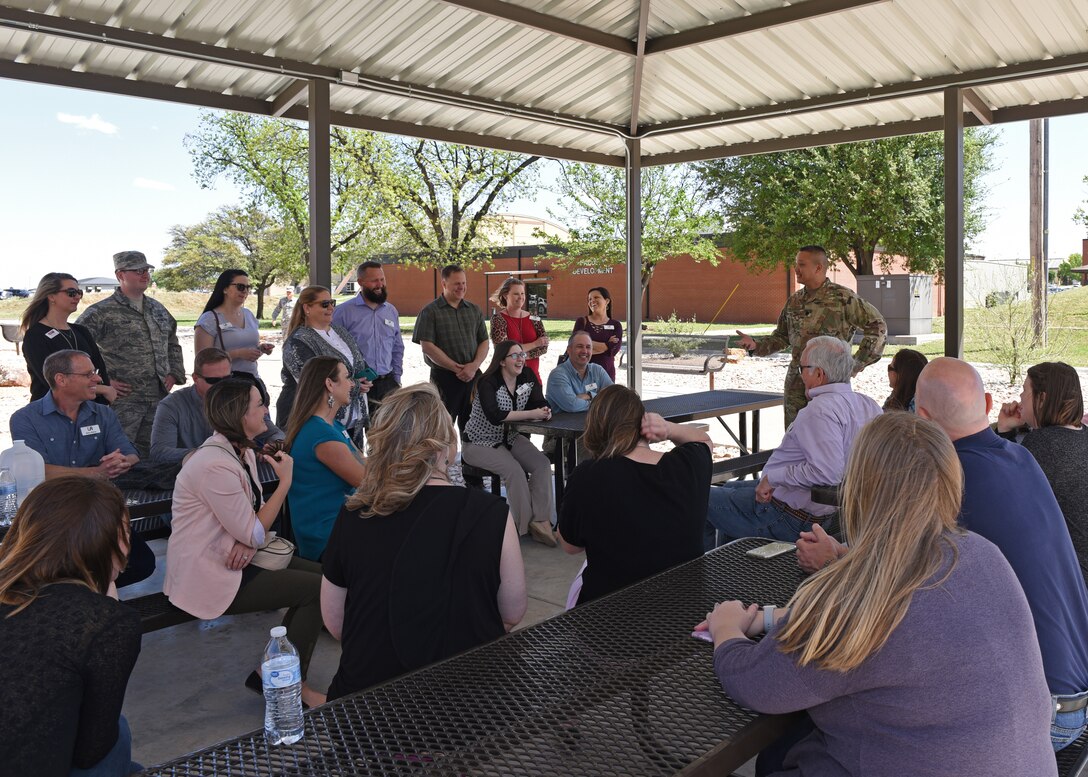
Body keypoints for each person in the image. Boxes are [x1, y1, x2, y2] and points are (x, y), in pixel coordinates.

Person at [699, 412, 1055, 777]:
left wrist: (727, 630)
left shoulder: (859, 597)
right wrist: (774, 617)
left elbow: (759, 686)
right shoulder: (982, 553)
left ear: (860, 487)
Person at [800, 357, 1088, 751]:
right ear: (985, 405)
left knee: (840, 722)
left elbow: (888, 578)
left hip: (1039, 712)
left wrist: (837, 558)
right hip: (1072, 694)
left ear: (923, 418)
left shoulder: (950, 476)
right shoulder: (1019, 457)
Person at [320, 383, 526, 699]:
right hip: (472, 706)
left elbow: (336, 624)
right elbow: (512, 613)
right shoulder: (492, 514)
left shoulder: (355, 514)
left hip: (370, 705)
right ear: (448, 447)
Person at [164, 379, 326, 707]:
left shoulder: (238, 451)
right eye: (259, 404)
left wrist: (250, 539)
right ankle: (289, 683)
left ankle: (276, 672)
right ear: (241, 416)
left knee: (326, 577)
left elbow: (249, 526)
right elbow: (252, 530)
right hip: (210, 573)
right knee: (317, 590)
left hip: (238, 559)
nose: (266, 409)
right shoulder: (216, 463)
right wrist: (285, 483)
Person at [0, 477, 143, 777]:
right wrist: (109, 607)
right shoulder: (105, 623)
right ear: (116, 541)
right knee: (120, 733)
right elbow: (92, 749)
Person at [706, 336, 881, 547]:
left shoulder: (819, 410)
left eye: (802, 369)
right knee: (733, 489)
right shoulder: (868, 405)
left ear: (819, 374)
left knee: (694, 499)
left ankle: (696, 575)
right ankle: (735, 563)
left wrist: (773, 478)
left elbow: (828, 472)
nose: (800, 376)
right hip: (821, 512)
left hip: (788, 517)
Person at [9, 350, 154, 589]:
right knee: (51, 573)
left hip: (98, 509)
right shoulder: (26, 419)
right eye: (88, 374)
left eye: (95, 373)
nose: (97, 379)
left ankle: (90, 597)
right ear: (61, 379)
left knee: (141, 564)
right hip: (53, 515)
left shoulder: (103, 413)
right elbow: (37, 471)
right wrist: (97, 473)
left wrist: (122, 462)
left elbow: (130, 453)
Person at [557, 385, 712, 606]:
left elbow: (570, 546)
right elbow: (704, 441)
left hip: (610, 618)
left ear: (596, 428)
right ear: (642, 425)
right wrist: (667, 428)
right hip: (686, 609)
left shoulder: (588, 475)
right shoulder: (689, 464)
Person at [735, 246, 886, 428]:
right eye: (796, 264)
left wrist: (857, 364)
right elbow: (782, 337)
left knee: (828, 434)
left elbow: (877, 327)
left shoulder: (844, 298)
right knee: (795, 436)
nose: (796, 269)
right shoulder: (794, 301)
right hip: (797, 384)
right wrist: (755, 345)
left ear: (818, 267)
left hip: (830, 382)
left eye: (801, 264)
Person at [77, 251, 186, 458]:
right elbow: (77, 350)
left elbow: (172, 342)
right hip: (124, 400)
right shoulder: (101, 312)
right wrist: (104, 382)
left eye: (146, 270)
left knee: (156, 453)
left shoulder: (157, 309)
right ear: (120, 275)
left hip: (158, 397)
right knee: (119, 454)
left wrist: (174, 373)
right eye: (137, 271)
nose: (144, 275)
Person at [997, 361, 1088, 584]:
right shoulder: (1083, 433)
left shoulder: (1044, 444)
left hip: (1069, 577)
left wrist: (1004, 431)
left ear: (1042, 398)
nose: (1019, 397)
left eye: (1025, 391)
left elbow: (1005, 497)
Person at [462, 340, 555, 546]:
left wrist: (545, 411)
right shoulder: (488, 382)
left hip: (509, 438)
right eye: (515, 355)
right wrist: (532, 414)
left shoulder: (528, 377)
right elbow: (495, 415)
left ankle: (542, 520)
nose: (520, 359)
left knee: (541, 464)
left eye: (522, 355)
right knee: (514, 471)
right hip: (479, 442)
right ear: (502, 361)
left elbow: (540, 401)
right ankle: (524, 526)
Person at [283, 356, 367, 561]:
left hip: (340, 527)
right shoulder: (321, 435)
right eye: (347, 378)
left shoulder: (331, 426)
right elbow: (369, 482)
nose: (352, 383)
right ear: (329, 384)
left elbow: (365, 463)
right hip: (328, 537)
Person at [150, 348, 283, 464]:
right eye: (213, 381)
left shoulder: (238, 399)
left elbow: (276, 434)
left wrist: (273, 446)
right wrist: (218, 453)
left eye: (227, 379)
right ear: (195, 378)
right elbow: (160, 453)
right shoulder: (172, 405)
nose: (222, 386)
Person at [277, 286, 372, 444]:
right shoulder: (298, 341)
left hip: (351, 420)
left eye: (332, 303)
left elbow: (358, 361)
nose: (331, 308)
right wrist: (355, 385)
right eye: (324, 304)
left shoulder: (340, 332)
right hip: (315, 422)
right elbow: (311, 382)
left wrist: (366, 378)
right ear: (307, 308)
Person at [412, 264, 489, 437]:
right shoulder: (429, 312)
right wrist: (457, 369)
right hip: (444, 379)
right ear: (444, 284)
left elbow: (484, 341)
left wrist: (474, 366)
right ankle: (440, 465)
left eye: (463, 283)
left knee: (474, 429)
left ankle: (470, 464)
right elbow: (428, 347)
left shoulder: (474, 310)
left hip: (473, 377)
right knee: (441, 430)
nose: (461, 287)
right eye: (456, 283)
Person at [20, 272, 117, 405]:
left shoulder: (81, 331)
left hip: (89, 410)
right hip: (53, 412)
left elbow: (100, 371)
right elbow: (53, 381)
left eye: (79, 292)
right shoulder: (35, 335)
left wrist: (104, 390)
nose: (77, 297)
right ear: (51, 296)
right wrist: (102, 389)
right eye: (71, 292)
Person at [332, 261, 404, 408]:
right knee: (355, 431)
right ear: (360, 282)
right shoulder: (343, 312)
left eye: (382, 279)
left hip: (388, 385)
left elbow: (397, 348)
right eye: (374, 280)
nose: (380, 284)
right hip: (356, 385)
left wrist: (396, 379)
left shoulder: (391, 311)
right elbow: (334, 351)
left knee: (386, 430)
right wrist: (348, 383)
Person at [194, 269, 274, 400]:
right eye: (240, 287)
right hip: (224, 389)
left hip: (252, 384)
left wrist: (260, 349)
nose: (245, 291)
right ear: (225, 289)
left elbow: (246, 346)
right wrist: (238, 354)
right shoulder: (209, 319)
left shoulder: (249, 315)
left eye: (248, 287)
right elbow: (202, 361)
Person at [489, 277, 548, 381]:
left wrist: (519, 356)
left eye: (522, 293)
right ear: (505, 295)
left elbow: (544, 346)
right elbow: (503, 350)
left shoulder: (534, 317)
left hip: (533, 377)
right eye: (516, 294)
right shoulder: (498, 319)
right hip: (509, 379)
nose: (520, 297)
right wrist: (535, 344)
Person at [545, 331, 613, 413]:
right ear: (569, 350)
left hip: (592, 423)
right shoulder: (557, 375)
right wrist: (599, 399)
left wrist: (589, 396)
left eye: (588, 347)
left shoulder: (597, 370)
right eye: (579, 346)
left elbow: (613, 396)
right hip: (562, 425)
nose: (584, 351)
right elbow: (572, 405)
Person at [572, 286, 622, 381]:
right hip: (583, 374)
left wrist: (586, 347)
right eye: (590, 299)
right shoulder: (582, 322)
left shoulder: (616, 325)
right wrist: (607, 345)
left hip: (606, 374)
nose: (592, 301)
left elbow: (613, 350)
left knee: (607, 396)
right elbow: (574, 346)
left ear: (607, 301)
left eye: (596, 297)